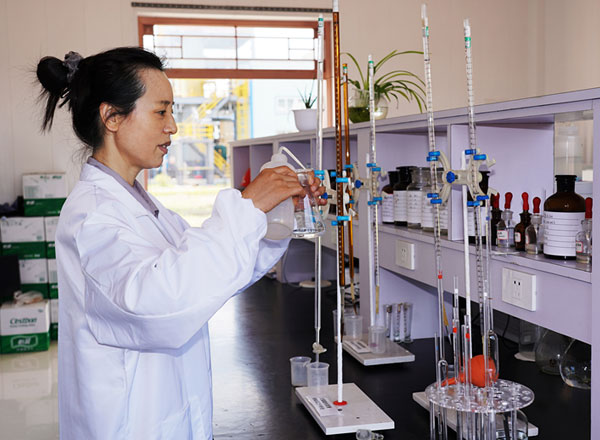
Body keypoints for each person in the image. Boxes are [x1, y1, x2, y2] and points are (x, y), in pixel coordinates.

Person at [36, 47, 325, 440]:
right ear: (112, 117)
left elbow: (207, 276)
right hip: (129, 425)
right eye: (161, 111)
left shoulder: (144, 207)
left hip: (166, 414)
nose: (172, 126)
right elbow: (159, 299)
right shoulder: (92, 216)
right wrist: (247, 206)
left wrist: (274, 215)